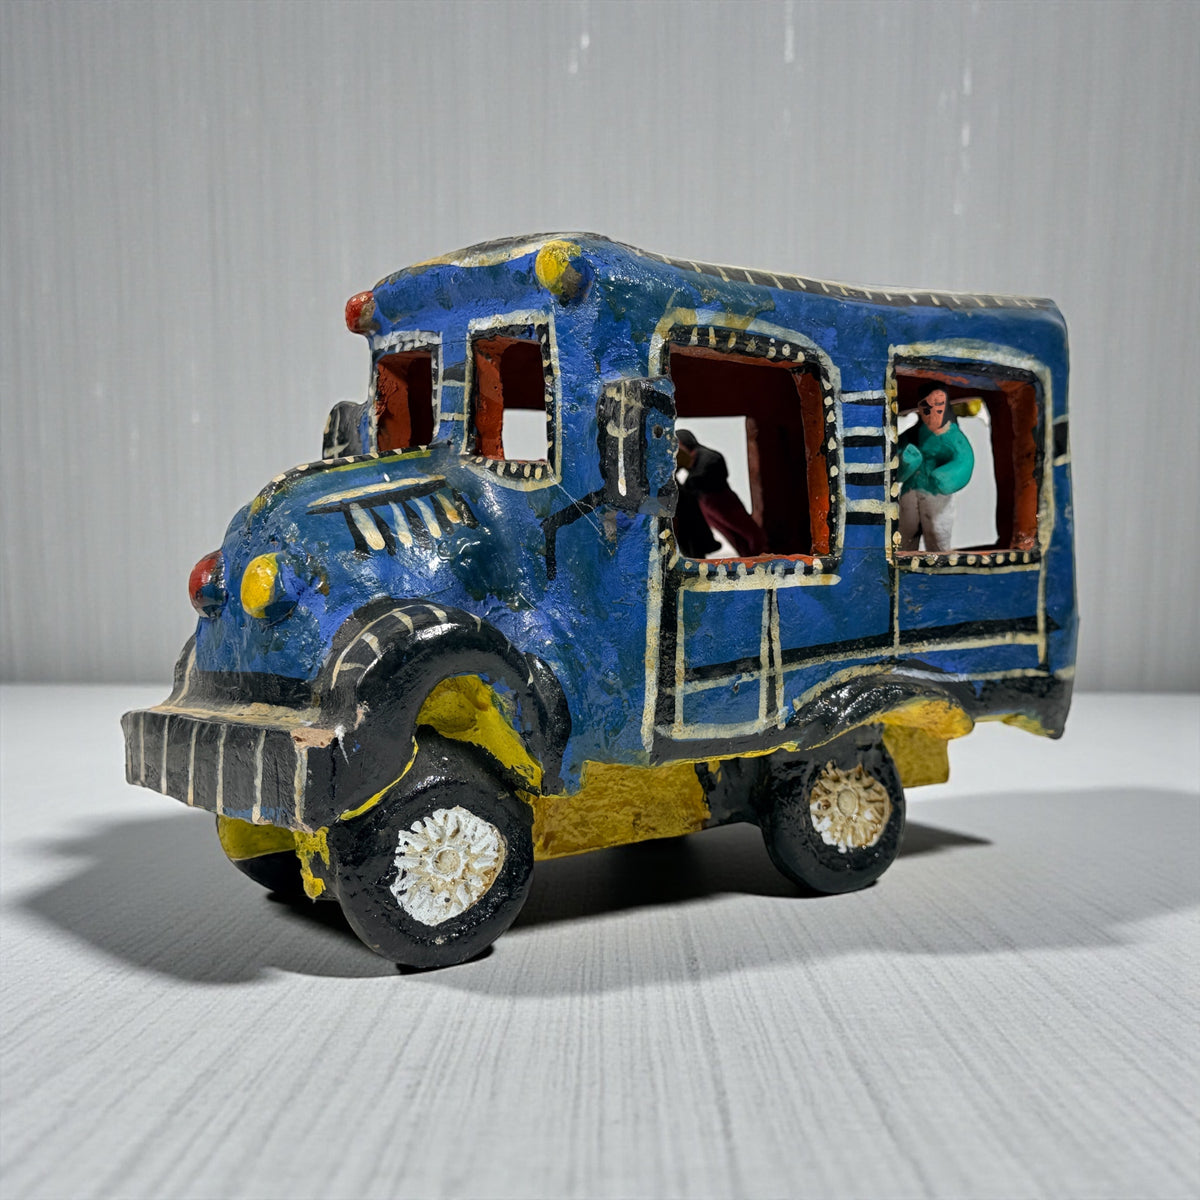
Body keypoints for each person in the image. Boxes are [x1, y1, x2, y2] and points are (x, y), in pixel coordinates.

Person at [897, 388, 974, 552]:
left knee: (937, 533)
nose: (931, 412)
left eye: (938, 405)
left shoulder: (953, 437)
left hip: (936, 494)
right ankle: (903, 561)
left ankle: (938, 563)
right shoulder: (913, 434)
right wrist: (905, 462)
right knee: (905, 532)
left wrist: (947, 478)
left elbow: (964, 459)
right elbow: (896, 457)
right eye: (925, 406)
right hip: (910, 491)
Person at [675, 429, 767, 558]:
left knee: (749, 532)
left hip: (720, 499)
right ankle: (748, 557)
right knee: (731, 536)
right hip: (706, 504)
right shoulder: (692, 459)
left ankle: (762, 556)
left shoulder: (706, 455)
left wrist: (691, 482)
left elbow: (712, 468)